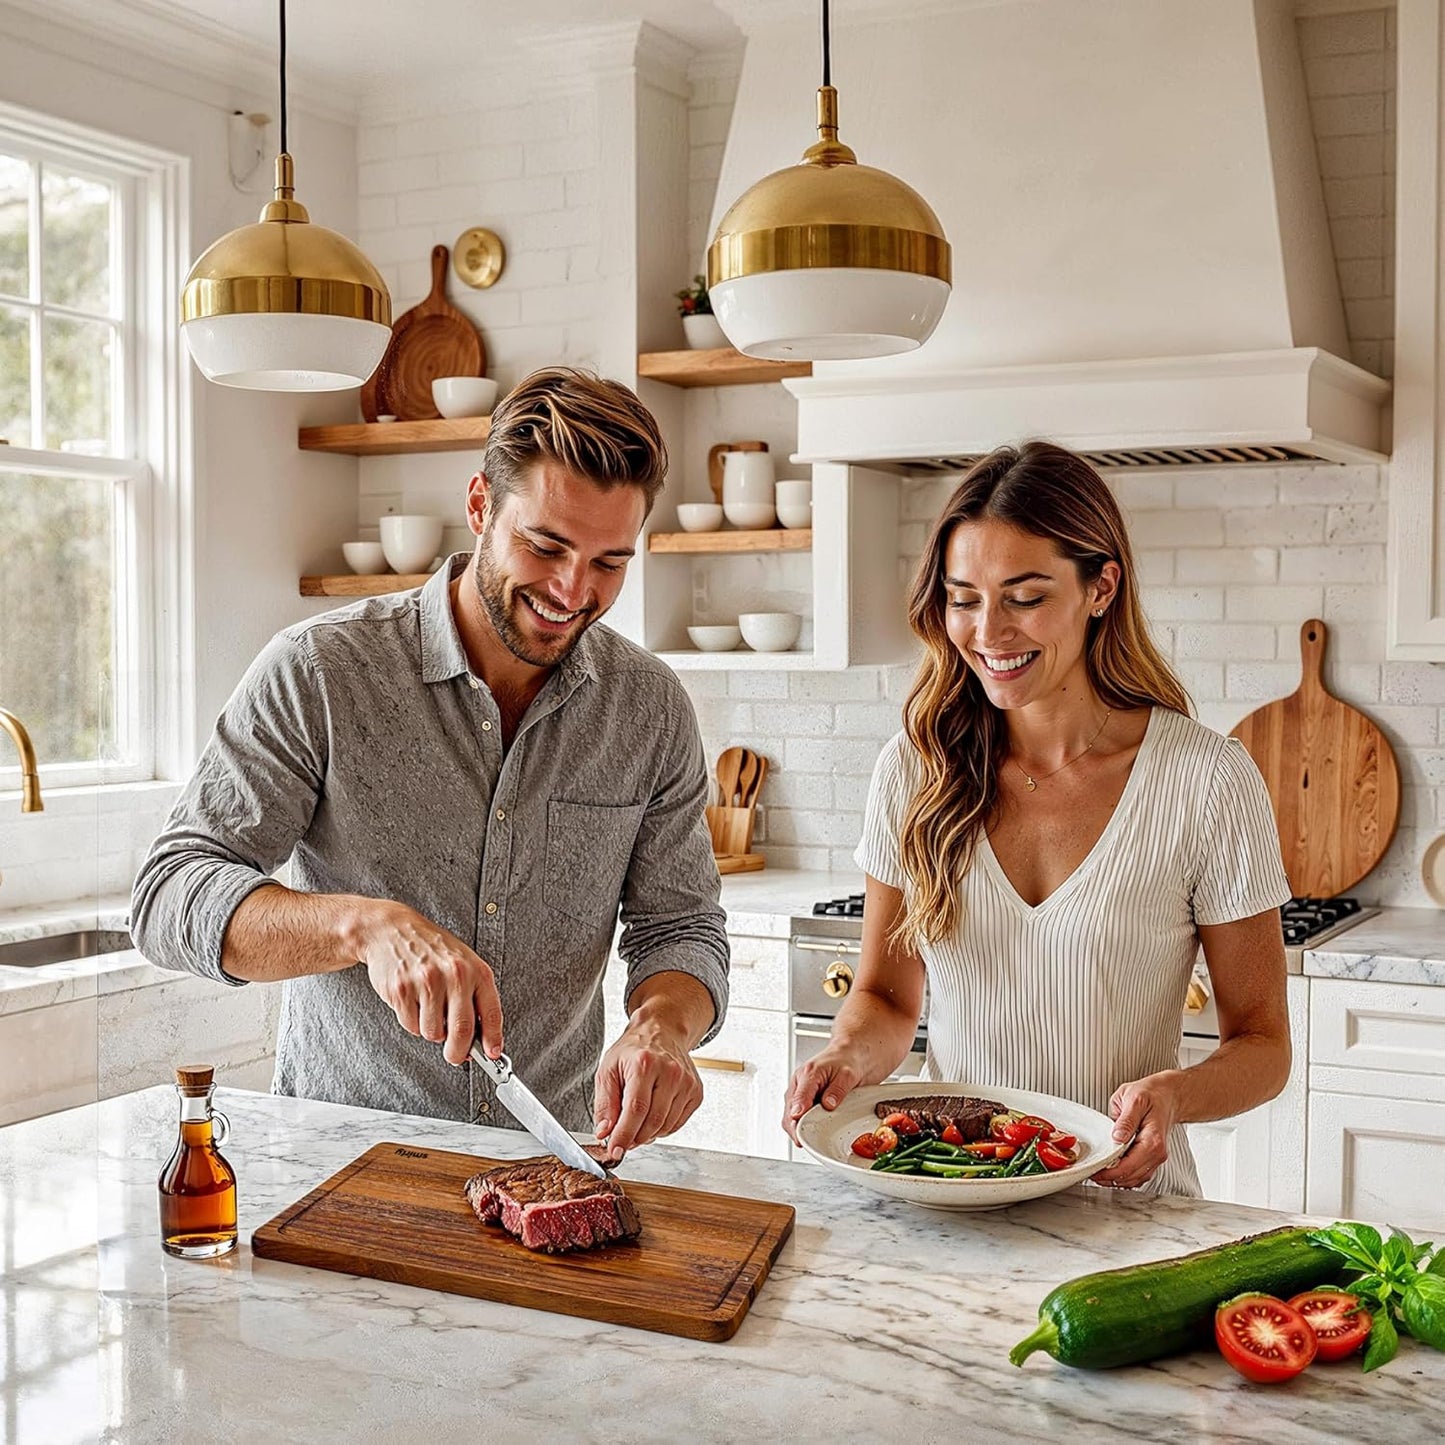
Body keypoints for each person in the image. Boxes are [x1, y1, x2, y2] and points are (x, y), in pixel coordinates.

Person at [133, 367, 728, 1161]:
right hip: (338, 1161)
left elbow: (680, 926)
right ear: (479, 505)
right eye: (545, 544)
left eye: (609, 562)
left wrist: (662, 1025)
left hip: (549, 1166)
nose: (571, 590)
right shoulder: (320, 671)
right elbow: (170, 894)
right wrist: (363, 926)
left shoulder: (648, 709)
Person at [782, 441, 1291, 1195]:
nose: (988, 631)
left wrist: (1174, 1095)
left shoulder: (1205, 779)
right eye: (963, 597)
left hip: (1125, 1217)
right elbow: (886, 998)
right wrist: (846, 1058)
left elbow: (1262, 1044)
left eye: (1024, 596)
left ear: (1100, 587)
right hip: (945, 1198)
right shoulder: (915, 768)